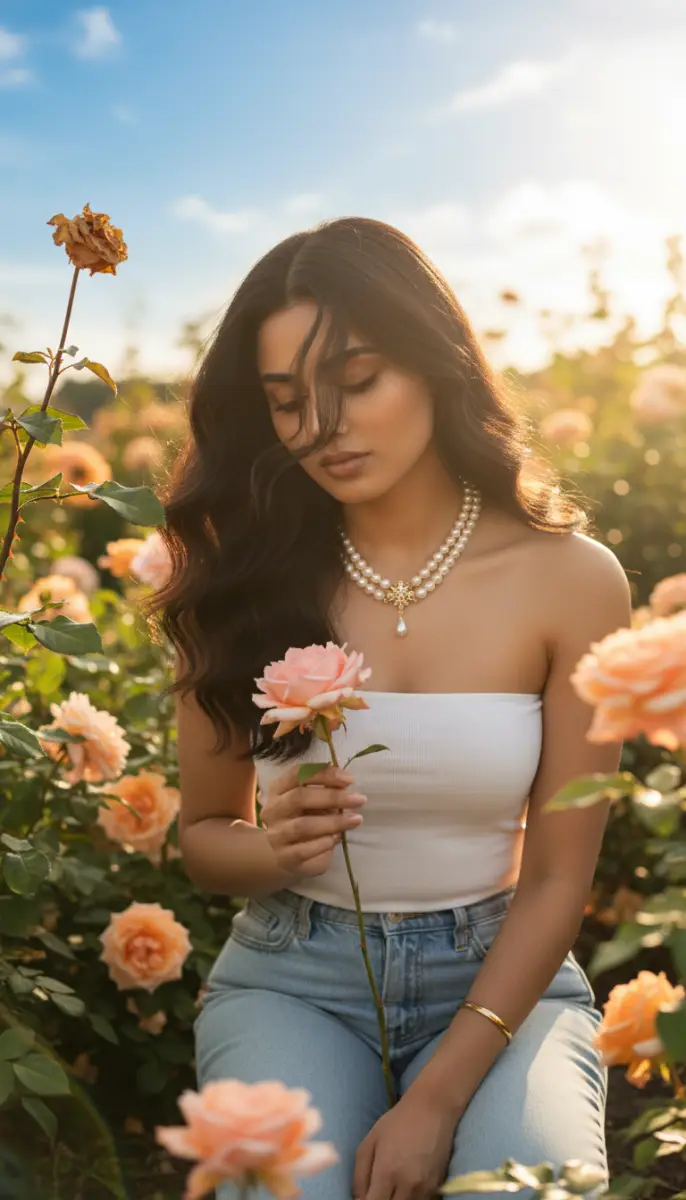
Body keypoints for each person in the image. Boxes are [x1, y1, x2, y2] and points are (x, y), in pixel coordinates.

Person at [151, 217, 631, 1200]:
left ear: (435, 363)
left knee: (521, 1192)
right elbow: (203, 837)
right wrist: (271, 847)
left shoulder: (570, 579)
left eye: (356, 381)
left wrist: (435, 1102)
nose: (320, 426)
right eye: (286, 402)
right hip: (293, 979)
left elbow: (554, 876)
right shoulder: (240, 573)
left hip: (504, 982)